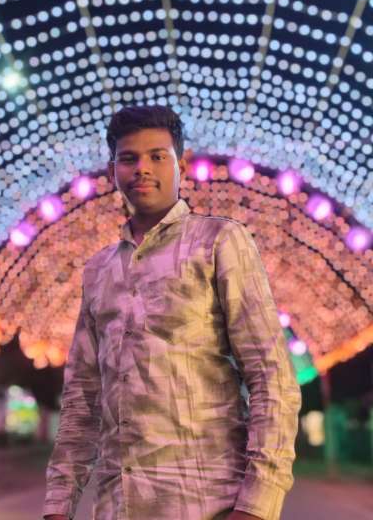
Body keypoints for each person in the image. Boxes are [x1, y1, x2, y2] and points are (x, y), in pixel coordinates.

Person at [43, 105, 301, 520]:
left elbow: (271, 376)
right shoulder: (99, 270)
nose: (142, 168)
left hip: (209, 504)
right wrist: (58, 504)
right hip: (117, 507)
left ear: (181, 165)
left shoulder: (219, 243)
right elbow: (82, 397)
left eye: (157, 156)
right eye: (129, 158)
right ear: (113, 171)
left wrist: (258, 504)